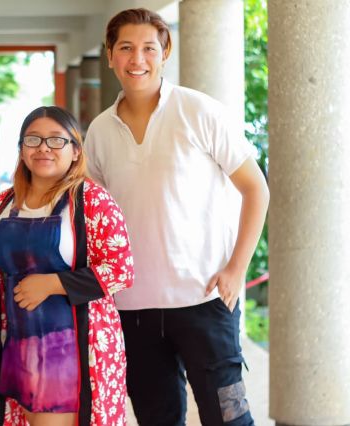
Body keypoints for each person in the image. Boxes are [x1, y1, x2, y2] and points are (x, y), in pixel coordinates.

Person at [85, 8, 270, 425]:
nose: (137, 59)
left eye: (149, 48)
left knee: (230, 417)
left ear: (164, 53)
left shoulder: (199, 111)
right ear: (110, 56)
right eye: (126, 48)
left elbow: (256, 189)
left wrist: (236, 269)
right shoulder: (99, 131)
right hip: (132, 308)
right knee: (157, 420)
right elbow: (95, 217)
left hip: (205, 299)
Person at [0, 106, 134, 426]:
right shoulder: (4, 204)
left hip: (69, 349)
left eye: (56, 140)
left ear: (76, 150)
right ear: (22, 149)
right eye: (33, 139)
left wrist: (53, 284)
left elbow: (121, 269)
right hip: (19, 345)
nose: (43, 148)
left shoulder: (92, 201)